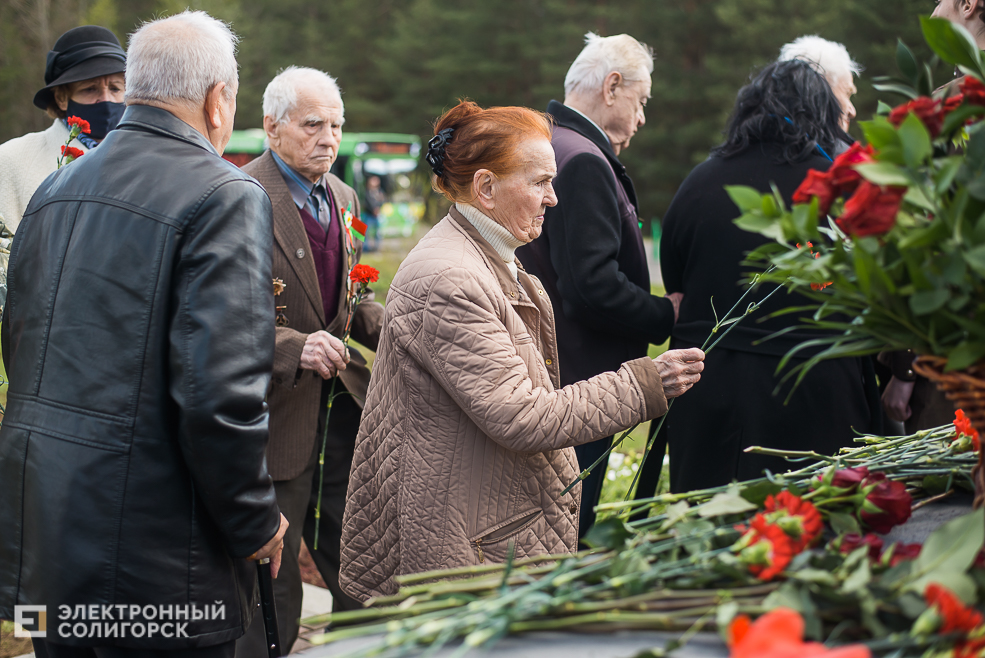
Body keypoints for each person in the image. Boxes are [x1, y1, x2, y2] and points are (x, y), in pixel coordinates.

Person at [0, 11, 288, 657]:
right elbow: (220, 396)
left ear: (132, 90)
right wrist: (254, 520)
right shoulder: (224, 195)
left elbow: (20, 348)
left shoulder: (54, 189)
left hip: (48, 538)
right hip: (154, 559)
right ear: (219, 101)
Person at [339, 100, 705, 602]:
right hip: (465, 542)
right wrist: (646, 383)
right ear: (486, 188)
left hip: (479, 520)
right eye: (539, 183)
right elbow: (523, 415)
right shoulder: (452, 278)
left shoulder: (485, 256)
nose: (552, 199)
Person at [659, 59, 883, 494]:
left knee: (712, 530)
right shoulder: (837, 188)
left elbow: (676, 280)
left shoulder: (701, 181)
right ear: (821, 112)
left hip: (715, 392)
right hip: (817, 389)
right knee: (813, 533)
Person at [235, 66, 383, 656]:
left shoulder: (343, 197)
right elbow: (221, 320)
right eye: (313, 124)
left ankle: (360, 645)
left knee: (354, 550)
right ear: (272, 128)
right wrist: (296, 347)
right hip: (275, 415)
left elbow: (352, 296)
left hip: (342, 409)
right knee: (272, 574)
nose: (329, 138)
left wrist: (395, 322)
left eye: (337, 125)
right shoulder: (240, 198)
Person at [516, 33, 680, 537]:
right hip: (579, 381)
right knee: (563, 532)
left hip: (548, 374)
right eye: (642, 100)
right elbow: (590, 287)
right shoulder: (583, 158)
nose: (643, 117)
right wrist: (664, 314)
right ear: (612, 86)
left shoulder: (550, 142)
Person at [0, 25, 127, 234]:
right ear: (61, 97)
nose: (106, 99)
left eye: (115, 88)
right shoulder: (12, 160)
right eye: (90, 89)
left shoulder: (145, 158)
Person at [778, 35, 861, 140]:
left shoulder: (755, 142)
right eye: (847, 93)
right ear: (818, 92)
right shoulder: (834, 155)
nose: (852, 112)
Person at [361, 175, 385, 251]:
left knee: (378, 232)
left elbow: (382, 201)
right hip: (368, 214)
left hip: (377, 215)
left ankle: (377, 247)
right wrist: (373, 210)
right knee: (366, 232)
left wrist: (378, 209)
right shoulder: (366, 192)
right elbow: (366, 203)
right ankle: (366, 248)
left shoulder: (379, 192)